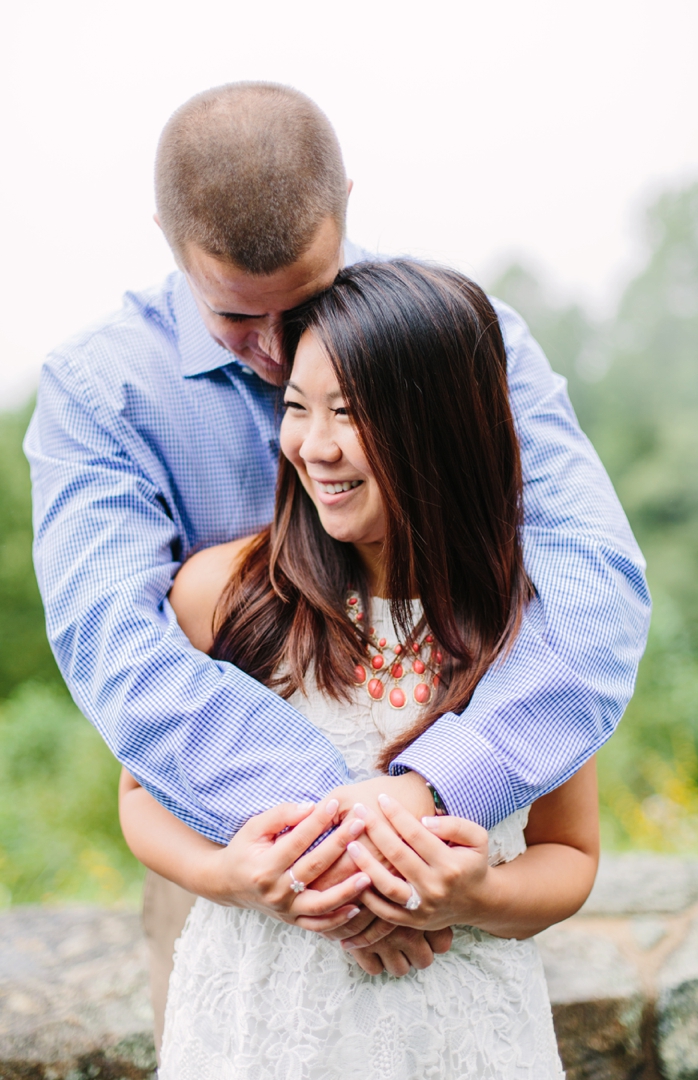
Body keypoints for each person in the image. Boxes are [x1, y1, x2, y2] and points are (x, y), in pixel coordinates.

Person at [24, 81, 650, 1042]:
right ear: (167, 237)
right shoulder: (100, 389)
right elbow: (119, 656)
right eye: (239, 319)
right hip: (234, 867)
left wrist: (431, 796)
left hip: (451, 891)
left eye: (306, 307)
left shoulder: (453, 343)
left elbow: (591, 591)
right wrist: (347, 846)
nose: (278, 356)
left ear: (348, 202)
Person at [119, 259, 600, 1078]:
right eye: (298, 407)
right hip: (258, 1031)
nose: (314, 445)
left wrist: (474, 898)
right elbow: (139, 796)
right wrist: (230, 876)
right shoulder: (223, 595)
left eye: (349, 412)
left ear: (442, 427)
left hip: (462, 1039)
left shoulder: (528, 629)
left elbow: (572, 855)